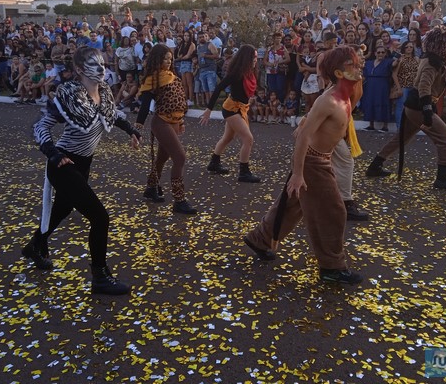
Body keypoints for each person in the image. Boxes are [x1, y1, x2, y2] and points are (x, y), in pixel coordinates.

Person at [243, 45, 366, 285]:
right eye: (352, 65)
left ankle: (260, 239)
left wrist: (305, 121)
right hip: (313, 163)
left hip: (321, 159)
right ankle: (332, 267)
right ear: (339, 73)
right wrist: (298, 174)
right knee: (334, 211)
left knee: (291, 205)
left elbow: (321, 114)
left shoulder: (344, 93)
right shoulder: (328, 101)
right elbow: (303, 138)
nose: (358, 68)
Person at [25, 47, 142, 295]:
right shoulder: (68, 95)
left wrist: (130, 130)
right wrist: (53, 154)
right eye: (94, 64)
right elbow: (40, 126)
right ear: (79, 69)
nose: (101, 68)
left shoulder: (104, 92)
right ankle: (100, 276)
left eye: (103, 64)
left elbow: (111, 114)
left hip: (83, 163)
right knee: (100, 217)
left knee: (62, 209)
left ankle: (35, 245)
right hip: (63, 164)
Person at [365, 26, 446, 190]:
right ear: (440, 45)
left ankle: (375, 165)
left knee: (402, 138)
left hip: (414, 106)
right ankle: (442, 178)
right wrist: (427, 111)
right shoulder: (432, 62)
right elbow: (424, 86)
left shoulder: (431, 59)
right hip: (419, 106)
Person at [134, 44, 197, 214]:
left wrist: (181, 121)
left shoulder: (172, 76)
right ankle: (179, 200)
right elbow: (144, 106)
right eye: (165, 58)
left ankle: (151, 188)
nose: (169, 61)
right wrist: (137, 129)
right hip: (161, 123)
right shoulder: (152, 79)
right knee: (180, 158)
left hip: (175, 122)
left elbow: (178, 100)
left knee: (162, 158)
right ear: (157, 60)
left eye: (170, 58)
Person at [201, 45, 261, 183]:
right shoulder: (236, 73)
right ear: (246, 58)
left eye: (256, 57)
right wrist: (209, 109)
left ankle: (214, 163)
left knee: (228, 138)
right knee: (248, 139)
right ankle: (244, 173)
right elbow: (218, 88)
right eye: (253, 57)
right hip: (232, 109)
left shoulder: (250, 72)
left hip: (241, 108)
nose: (255, 60)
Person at [362, 46, 394, 132]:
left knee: (384, 102)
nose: (380, 54)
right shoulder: (369, 63)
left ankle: (385, 126)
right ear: (375, 53)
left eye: (383, 52)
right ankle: (371, 125)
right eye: (379, 52)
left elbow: (395, 64)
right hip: (370, 85)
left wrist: (396, 54)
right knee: (370, 102)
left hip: (383, 85)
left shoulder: (388, 62)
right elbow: (364, 74)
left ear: (385, 53)